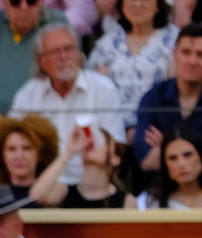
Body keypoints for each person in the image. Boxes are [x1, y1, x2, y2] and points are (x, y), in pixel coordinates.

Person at [9, 22, 126, 183]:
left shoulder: (102, 89)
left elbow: (116, 145)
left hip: (90, 184)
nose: (63, 57)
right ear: (41, 61)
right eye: (55, 52)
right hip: (44, 186)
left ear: (79, 54)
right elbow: (11, 144)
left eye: (69, 49)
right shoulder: (28, 94)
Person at [132, 24, 202, 178]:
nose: (192, 61)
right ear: (175, 54)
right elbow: (145, 162)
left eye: (201, 54)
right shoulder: (153, 97)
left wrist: (165, 147)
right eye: (186, 52)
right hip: (162, 189)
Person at [87, 0, 177, 135]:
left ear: (158, 5)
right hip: (111, 125)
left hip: (157, 125)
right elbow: (94, 87)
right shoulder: (107, 43)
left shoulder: (173, 39)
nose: (138, 4)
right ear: (121, 4)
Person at [29, 122, 136, 205]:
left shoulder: (127, 201)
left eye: (100, 141)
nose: (91, 144)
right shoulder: (66, 193)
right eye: (90, 141)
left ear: (115, 158)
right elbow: (36, 196)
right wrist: (68, 152)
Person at [135, 125, 202, 207]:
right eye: (173, 158)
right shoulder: (153, 202)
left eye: (188, 155)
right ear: (165, 165)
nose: (181, 164)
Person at [0, 111, 59, 197]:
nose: (19, 156)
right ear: (2, 156)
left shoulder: (54, 194)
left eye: (26, 148)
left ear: (40, 154)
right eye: (11, 149)